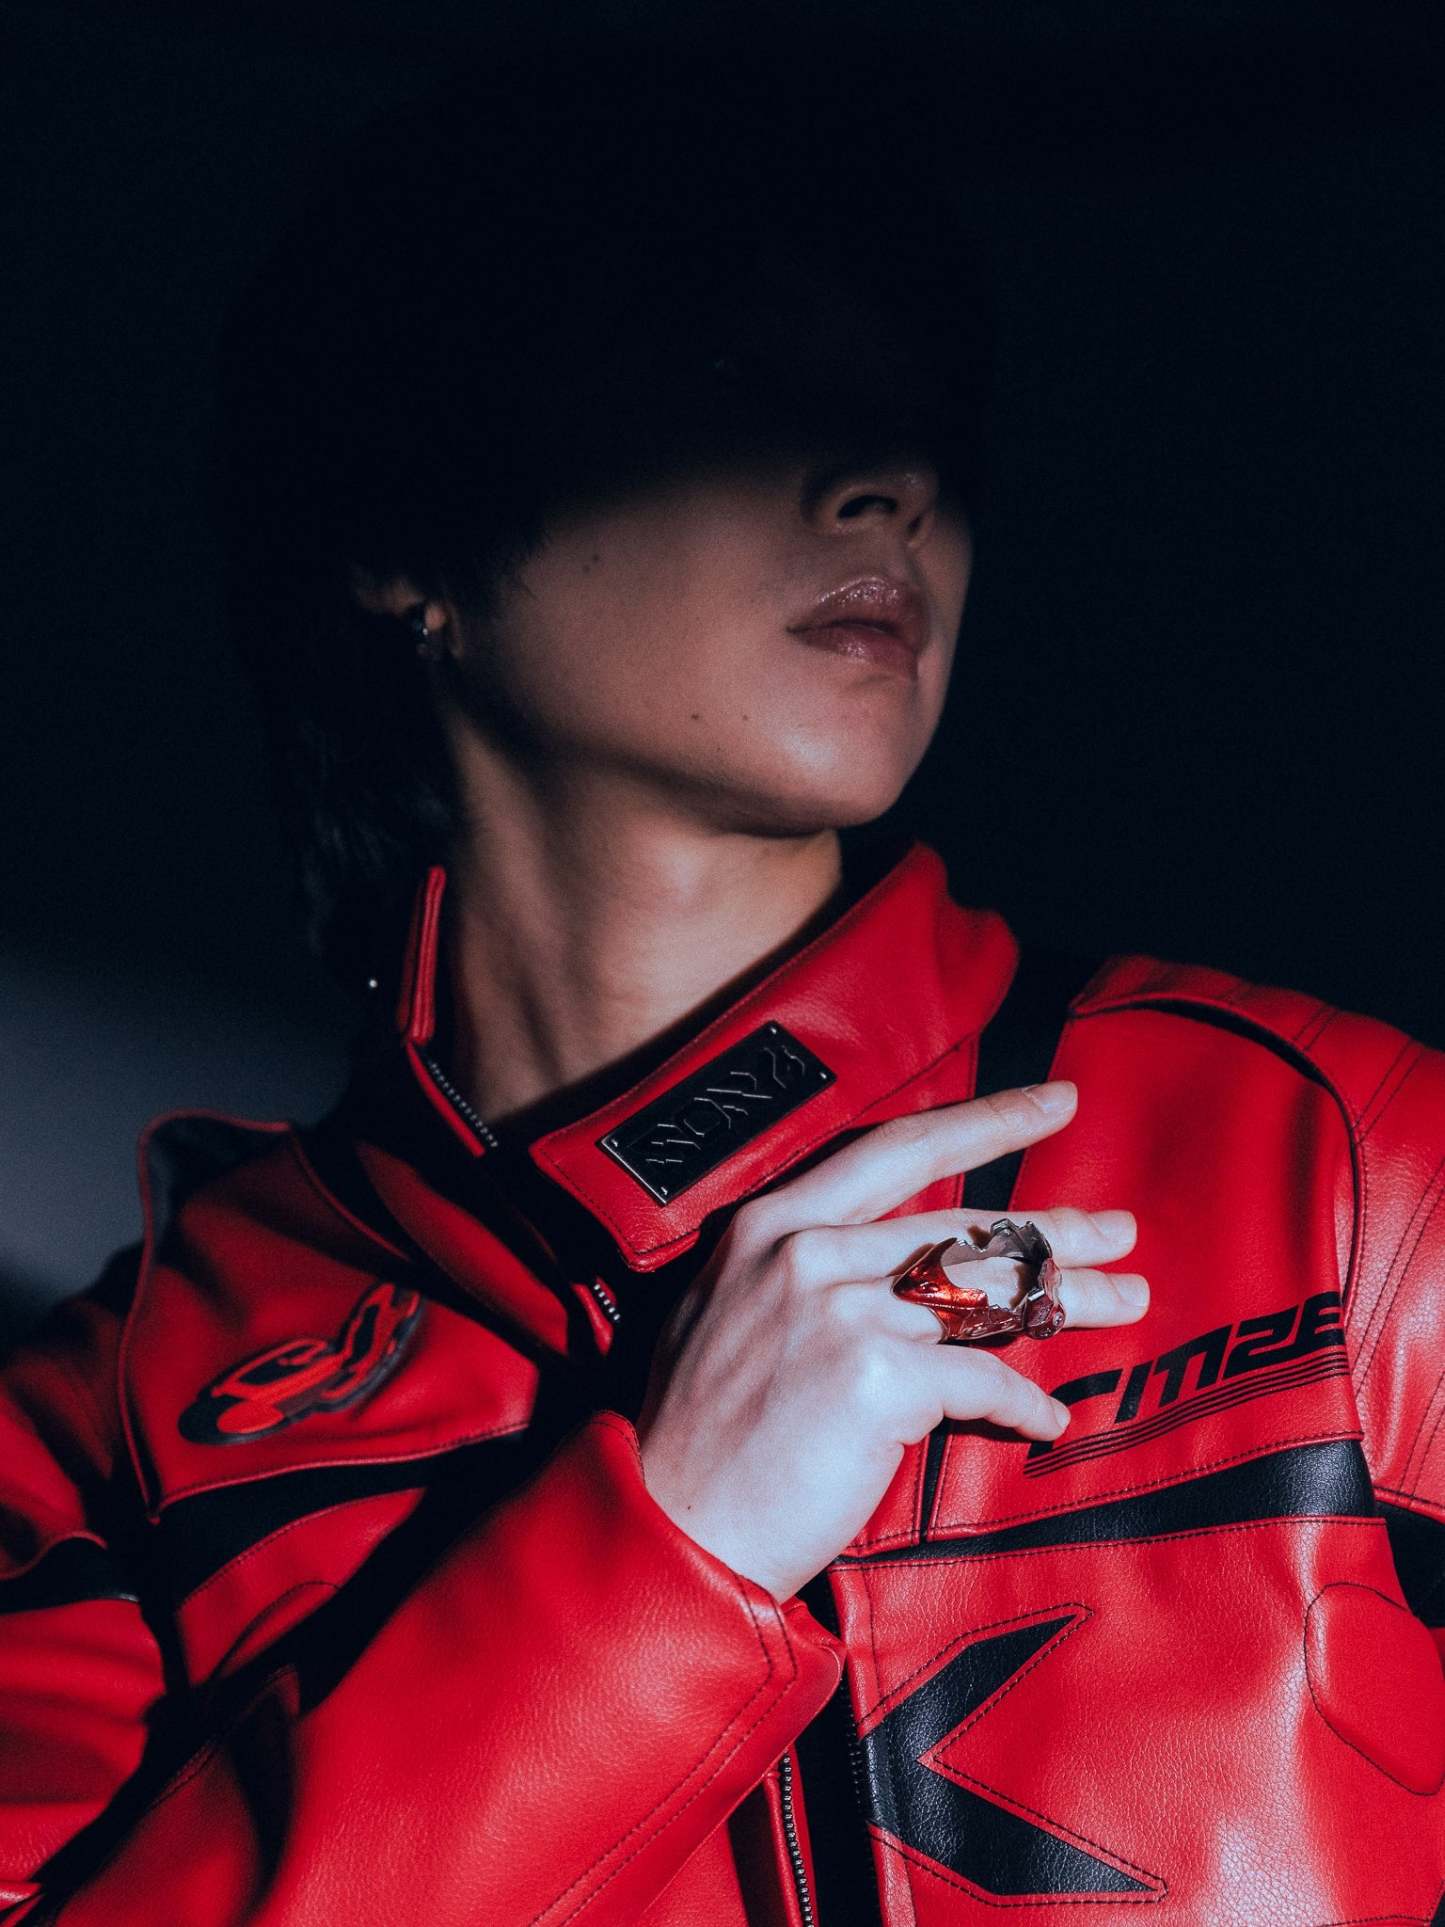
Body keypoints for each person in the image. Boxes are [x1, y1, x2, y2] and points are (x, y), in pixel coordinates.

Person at [2, 29, 1442, 1927]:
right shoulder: (114, 1424)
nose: (887, 481)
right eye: (733, 383)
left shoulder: (1330, 1167)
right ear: (401, 537)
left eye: (921, 412)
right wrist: (671, 1541)